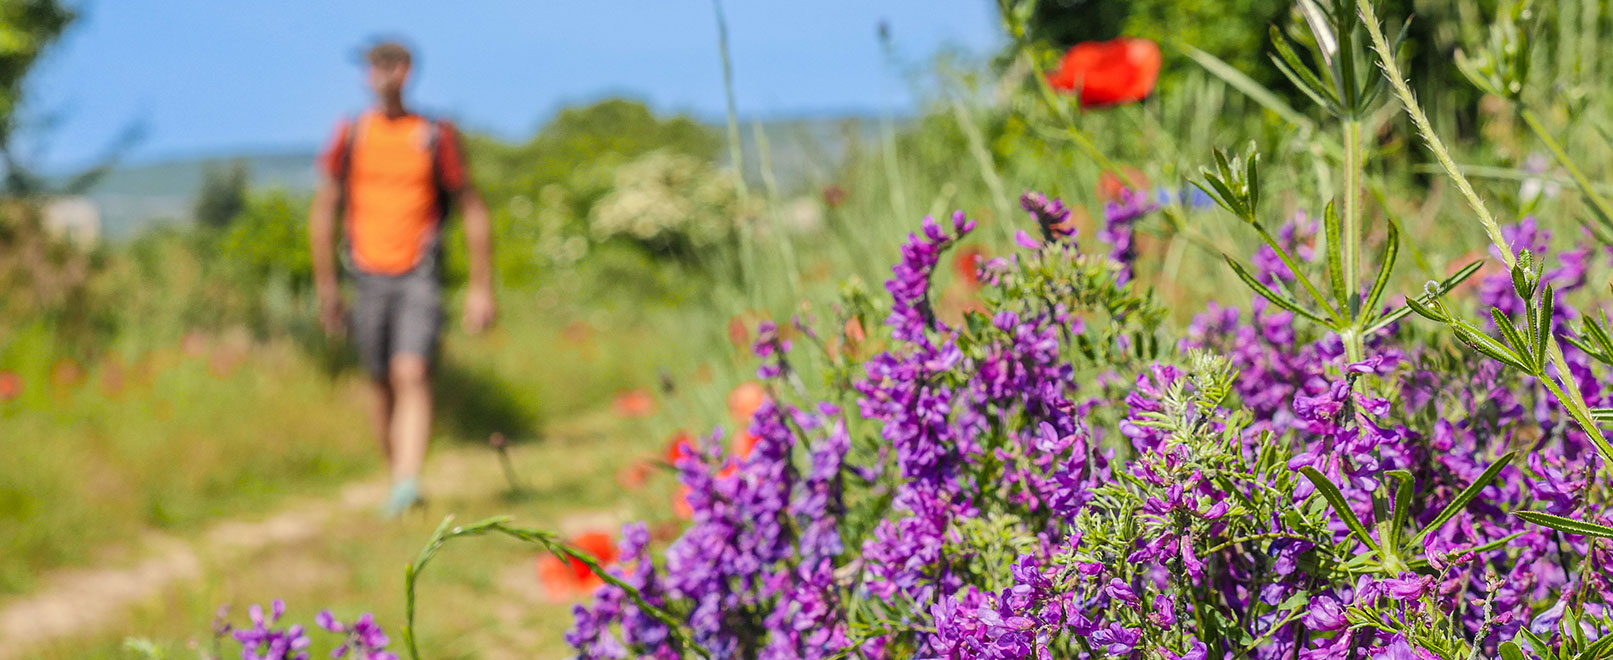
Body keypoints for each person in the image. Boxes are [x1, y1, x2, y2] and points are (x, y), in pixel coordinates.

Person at [309, 39, 496, 518]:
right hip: (366, 273)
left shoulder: (434, 133)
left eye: (389, 65)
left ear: (408, 71)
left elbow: (472, 207)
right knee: (379, 383)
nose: (381, 75)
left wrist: (481, 286)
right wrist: (326, 287)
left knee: (410, 371)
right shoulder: (351, 134)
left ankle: (408, 480)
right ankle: (397, 474)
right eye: (373, 66)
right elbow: (325, 209)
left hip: (420, 272)